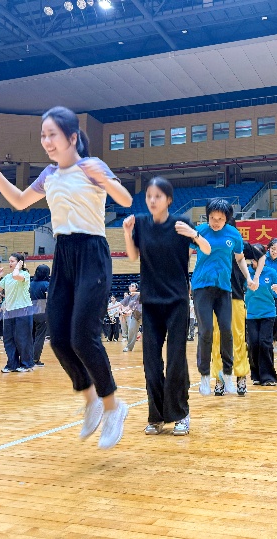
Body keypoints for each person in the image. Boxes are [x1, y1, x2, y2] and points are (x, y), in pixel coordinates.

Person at [0, 106, 133, 449]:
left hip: (92, 252)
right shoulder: (49, 174)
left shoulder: (92, 166)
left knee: (83, 336)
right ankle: (90, 400)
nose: (46, 141)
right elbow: (20, 201)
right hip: (63, 254)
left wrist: (105, 179)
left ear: (72, 137)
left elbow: (125, 198)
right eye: (43, 135)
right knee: (59, 338)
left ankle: (113, 406)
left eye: (52, 134)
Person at [124, 177, 210, 435]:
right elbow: (133, 256)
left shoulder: (181, 224)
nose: (152, 200)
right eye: (149, 196)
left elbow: (207, 249)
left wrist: (194, 234)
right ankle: (156, 416)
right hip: (150, 302)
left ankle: (181, 414)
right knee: (151, 361)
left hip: (177, 302)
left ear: (169, 200)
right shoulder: (141, 223)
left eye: (158, 196)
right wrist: (127, 233)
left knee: (175, 359)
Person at [190, 199, 255, 397]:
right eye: (212, 218)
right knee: (206, 331)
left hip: (224, 288)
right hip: (202, 287)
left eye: (220, 219)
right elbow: (186, 252)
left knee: (227, 330)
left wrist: (249, 278)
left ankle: (227, 374)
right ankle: (204, 376)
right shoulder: (200, 231)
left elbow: (240, 258)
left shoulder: (233, 234)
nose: (216, 222)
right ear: (207, 216)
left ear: (226, 218)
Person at [210, 216, 265, 396]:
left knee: (238, 338)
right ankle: (220, 379)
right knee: (217, 339)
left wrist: (255, 278)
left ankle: (241, 377)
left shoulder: (240, 245)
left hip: (235, 298)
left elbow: (261, 256)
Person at [245, 244, 277, 386]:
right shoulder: (246, 272)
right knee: (253, 344)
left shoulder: (271, 273)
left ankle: (268, 377)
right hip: (251, 314)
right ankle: (256, 375)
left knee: (265, 343)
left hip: (268, 313)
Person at [0, 253, 35, 373]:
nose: (9, 263)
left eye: (12, 261)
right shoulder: (7, 277)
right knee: (9, 339)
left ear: (19, 263)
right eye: (9, 261)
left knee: (23, 338)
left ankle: (27, 364)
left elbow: (16, 276)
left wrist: (19, 267)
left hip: (23, 309)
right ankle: (12, 364)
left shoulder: (24, 274)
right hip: (9, 311)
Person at [30, 264, 50, 367]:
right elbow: (49, 299)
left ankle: (28, 359)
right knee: (40, 337)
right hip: (42, 313)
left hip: (30, 312)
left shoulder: (30, 283)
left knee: (31, 336)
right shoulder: (47, 284)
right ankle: (35, 359)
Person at [122, 283, 142, 352]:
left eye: (132, 286)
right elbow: (121, 303)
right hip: (135, 316)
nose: (130, 287)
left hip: (144, 315)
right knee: (131, 330)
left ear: (136, 288)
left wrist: (134, 293)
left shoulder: (138, 295)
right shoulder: (129, 297)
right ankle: (129, 347)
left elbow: (144, 293)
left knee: (149, 332)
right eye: (130, 286)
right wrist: (108, 308)